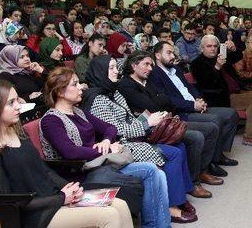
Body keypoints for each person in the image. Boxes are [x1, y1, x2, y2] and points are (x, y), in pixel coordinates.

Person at [0, 79, 133, 228]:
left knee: (120, 205)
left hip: (52, 198)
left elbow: (44, 170)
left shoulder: (18, 133)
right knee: (109, 215)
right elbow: (7, 202)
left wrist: (67, 188)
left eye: (17, 101)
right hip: (34, 214)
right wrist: (61, 198)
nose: (18, 106)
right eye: (11, 103)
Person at [40, 67, 171, 227]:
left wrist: (106, 141)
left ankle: (158, 225)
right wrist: (106, 149)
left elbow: (110, 129)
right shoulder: (51, 120)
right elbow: (70, 152)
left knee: (156, 172)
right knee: (151, 172)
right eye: (75, 84)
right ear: (60, 92)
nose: (81, 87)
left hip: (99, 165)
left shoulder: (78, 112)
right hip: (80, 174)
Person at [83, 55, 197, 223]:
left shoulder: (113, 92)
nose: (117, 71)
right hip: (120, 146)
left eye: (116, 67)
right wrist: (146, 124)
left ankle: (180, 196)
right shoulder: (98, 99)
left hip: (133, 138)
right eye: (112, 68)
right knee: (173, 153)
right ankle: (172, 205)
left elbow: (129, 119)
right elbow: (115, 130)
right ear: (101, 72)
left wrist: (148, 120)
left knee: (178, 145)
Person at [118, 52, 220, 199]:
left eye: (151, 65)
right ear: (134, 66)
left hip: (167, 122)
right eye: (146, 64)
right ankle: (194, 182)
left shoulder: (147, 81)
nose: (150, 68)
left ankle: (201, 172)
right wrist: (160, 100)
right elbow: (151, 104)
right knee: (196, 137)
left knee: (211, 128)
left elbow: (167, 101)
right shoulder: (126, 84)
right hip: (148, 130)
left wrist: (160, 102)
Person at [149, 41, 239, 177]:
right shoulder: (155, 74)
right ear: (158, 55)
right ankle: (210, 163)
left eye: (173, 52)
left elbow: (190, 87)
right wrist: (193, 106)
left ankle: (218, 154)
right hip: (182, 112)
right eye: (168, 53)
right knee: (216, 119)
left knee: (231, 114)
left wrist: (198, 99)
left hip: (194, 105)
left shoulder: (176, 69)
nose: (172, 55)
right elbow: (168, 100)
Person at [191, 35, 252, 147]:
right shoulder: (197, 63)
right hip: (220, 96)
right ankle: (250, 136)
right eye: (209, 46)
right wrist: (217, 67)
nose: (213, 48)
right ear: (202, 48)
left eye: (215, 46)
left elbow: (238, 55)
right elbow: (207, 83)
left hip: (236, 90)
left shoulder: (220, 56)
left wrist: (234, 49)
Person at [0, 45, 47, 111]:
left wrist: (40, 70)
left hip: (39, 107)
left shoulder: (26, 71)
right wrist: (28, 98)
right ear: (10, 59)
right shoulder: (4, 77)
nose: (27, 59)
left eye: (27, 55)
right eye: (21, 57)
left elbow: (48, 85)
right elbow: (8, 102)